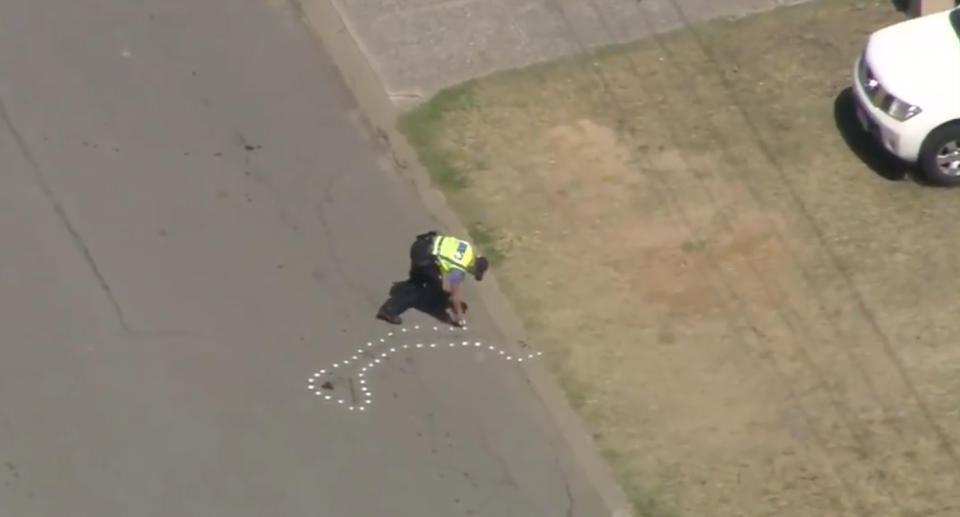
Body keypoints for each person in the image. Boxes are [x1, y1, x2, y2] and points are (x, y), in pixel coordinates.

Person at [376, 231, 489, 327]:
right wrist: (459, 316)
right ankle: (388, 310)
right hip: (424, 257)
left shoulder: (467, 247)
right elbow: (455, 297)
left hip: (423, 243)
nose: (471, 273)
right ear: (473, 267)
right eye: (474, 272)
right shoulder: (458, 268)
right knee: (420, 286)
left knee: (431, 282)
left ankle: (434, 301)